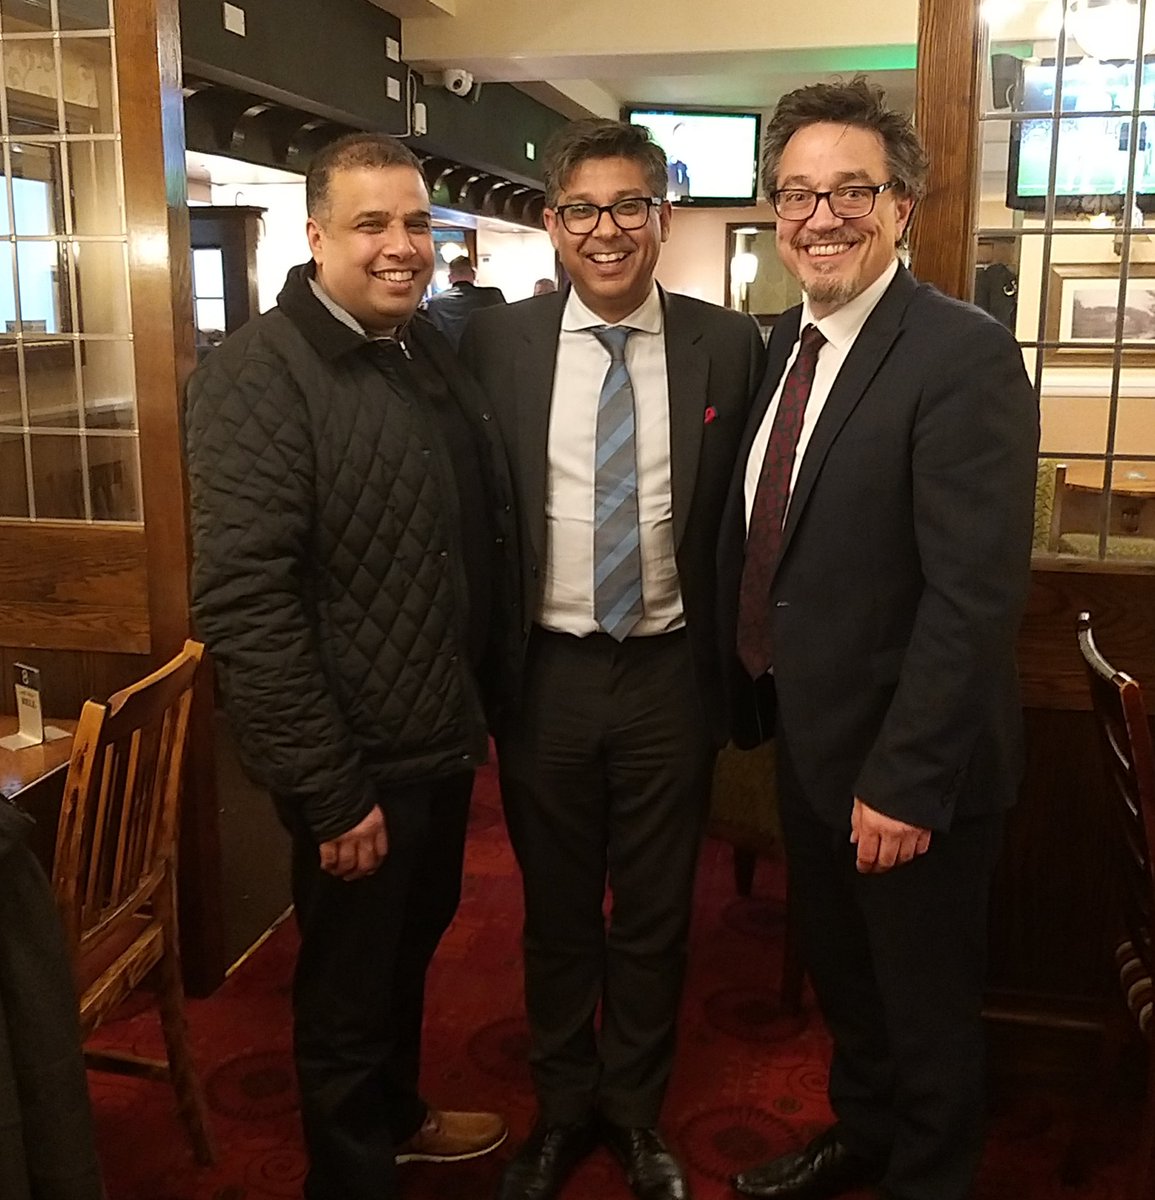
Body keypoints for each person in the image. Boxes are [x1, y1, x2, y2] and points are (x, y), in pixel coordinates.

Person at [717, 79, 1039, 1200]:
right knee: (851, 990)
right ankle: (863, 1136)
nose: (822, 216)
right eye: (798, 193)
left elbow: (973, 595)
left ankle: (929, 1175)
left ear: (902, 205)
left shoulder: (961, 354)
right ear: (773, 209)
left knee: (925, 1009)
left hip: (912, 775)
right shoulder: (773, 349)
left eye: (852, 190)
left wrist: (904, 780)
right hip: (807, 744)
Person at [184, 132, 515, 1200]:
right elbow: (246, 603)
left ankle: (399, 1116)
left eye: (416, 222)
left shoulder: (420, 353)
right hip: (354, 764)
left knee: (403, 960)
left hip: (432, 737)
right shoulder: (258, 376)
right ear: (316, 234)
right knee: (343, 993)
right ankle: (352, 1172)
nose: (401, 246)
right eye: (372, 223)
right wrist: (328, 793)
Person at [461, 118, 764, 1200]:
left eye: (629, 206)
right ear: (551, 223)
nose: (607, 230)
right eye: (582, 209)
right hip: (544, 677)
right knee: (552, 912)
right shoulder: (492, 345)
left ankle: (634, 1114)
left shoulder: (729, 345)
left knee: (652, 914)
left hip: (670, 679)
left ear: (663, 218)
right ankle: (561, 1107)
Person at [423, 256, 506, 348]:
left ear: (449, 278)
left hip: (449, 359)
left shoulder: (435, 303)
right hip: (487, 355)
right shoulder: (493, 295)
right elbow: (504, 329)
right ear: (474, 274)